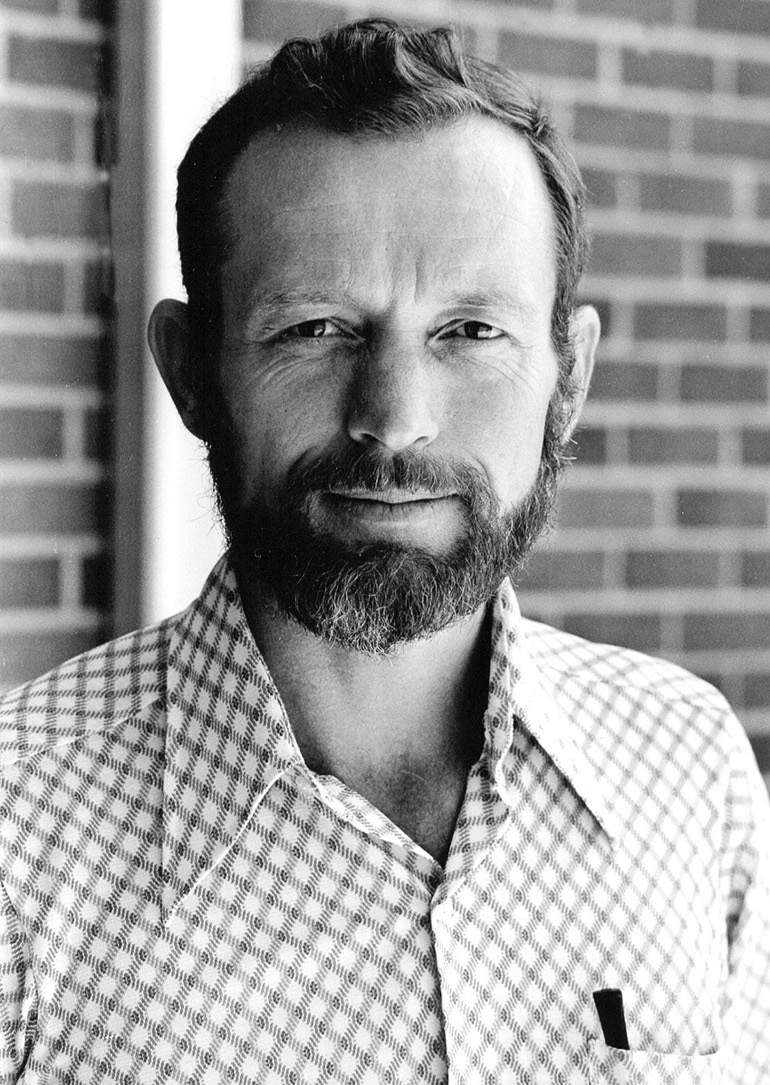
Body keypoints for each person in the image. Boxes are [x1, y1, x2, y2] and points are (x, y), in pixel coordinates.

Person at [1, 18, 768, 1084]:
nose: (395, 418)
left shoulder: (685, 765)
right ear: (190, 371)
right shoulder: (17, 831)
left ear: (570, 379)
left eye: (468, 331)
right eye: (315, 328)